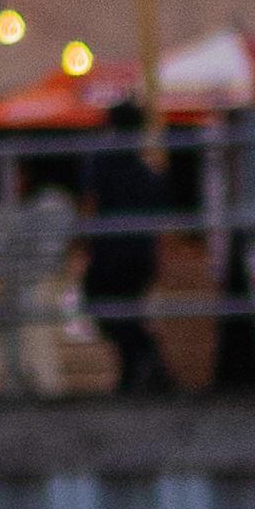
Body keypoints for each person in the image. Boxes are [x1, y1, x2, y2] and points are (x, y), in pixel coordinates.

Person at [81, 96, 179, 393]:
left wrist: (84, 241)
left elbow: (90, 202)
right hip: (140, 253)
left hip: (110, 251)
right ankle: (138, 368)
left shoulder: (102, 161)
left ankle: (146, 359)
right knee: (126, 310)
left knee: (103, 306)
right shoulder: (147, 170)